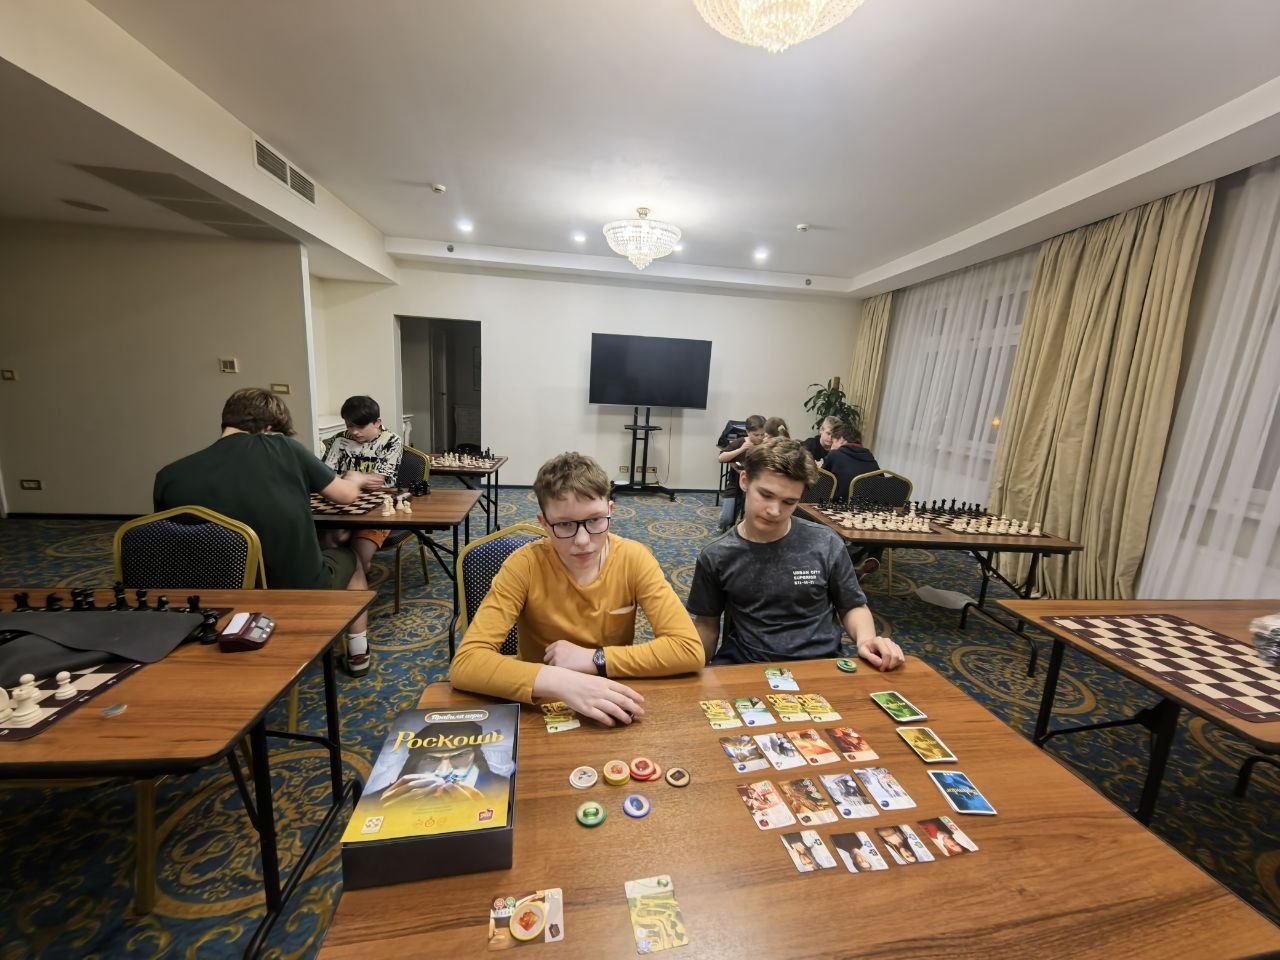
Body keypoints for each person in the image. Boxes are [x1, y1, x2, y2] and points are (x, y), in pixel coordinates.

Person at [450, 451, 703, 725]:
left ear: (610, 510)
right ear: (544, 523)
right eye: (564, 524)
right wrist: (560, 680)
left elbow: (688, 649)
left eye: (595, 520)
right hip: (543, 700)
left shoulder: (634, 558)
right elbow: (466, 663)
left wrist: (596, 659)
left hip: (611, 696)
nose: (582, 540)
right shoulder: (523, 566)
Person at [153, 387, 375, 676]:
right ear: (269, 429)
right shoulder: (285, 448)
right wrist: (355, 479)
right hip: (293, 590)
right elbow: (345, 495)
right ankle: (358, 653)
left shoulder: (168, 475)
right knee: (352, 559)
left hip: (209, 599)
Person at [687, 437, 904, 670]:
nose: (774, 511)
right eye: (766, 495)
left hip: (819, 664)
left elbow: (852, 605)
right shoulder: (717, 555)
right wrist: (692, 669)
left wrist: (866, 640)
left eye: (789, 502)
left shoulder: (825, 542)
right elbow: (707, 625)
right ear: (745, 480)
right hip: (747, 665)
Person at [320, 395, 404, 574]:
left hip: (377, 509)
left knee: (359, 561)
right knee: (328, 549)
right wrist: (357, 478)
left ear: (377, 422)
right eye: (350, 426)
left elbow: (378, 482)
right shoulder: (339, 440)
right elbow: (325, 478)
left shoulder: (391, 441)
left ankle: (357, 581)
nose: (355, 432)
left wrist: (345, 479)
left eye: (361, 426)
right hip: (339, 506)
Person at [373, 720, 508, 806]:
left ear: (476, 755)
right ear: (415, 761)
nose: (444, 771)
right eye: (431, 759)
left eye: (459, 755)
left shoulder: (505, 788)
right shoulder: (380, 799)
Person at [717, 414, 766, 531]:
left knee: (750, 519)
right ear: (747, 432)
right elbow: (721, 458)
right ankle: (723, 520)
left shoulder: (766, 444)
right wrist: (741, 449)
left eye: (762, 434)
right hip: (735, 486)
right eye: (756, 435)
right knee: (726, 519)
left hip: (755, 488)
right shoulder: (740, 442)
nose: (760, 438)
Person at [822, 421, 881, 501]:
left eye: (832, 442)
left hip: (840, 504)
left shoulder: (834, 454)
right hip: (869, 506)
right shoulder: (870, 457)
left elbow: (820, 482)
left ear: (841, 439)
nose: (831, 446)